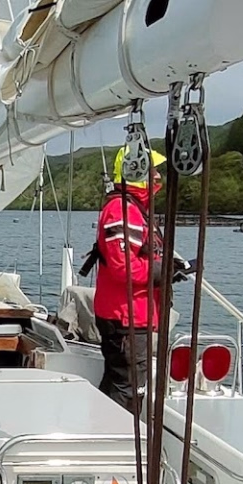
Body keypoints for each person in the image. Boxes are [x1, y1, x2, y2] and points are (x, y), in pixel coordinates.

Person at [90, 146, 164, 413]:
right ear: (136, 171)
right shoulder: (123, 211)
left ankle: (101, 437)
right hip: (125, 317)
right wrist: (162, 271)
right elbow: (124, 269)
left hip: (131, 314)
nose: (158, 176)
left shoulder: (133, 209)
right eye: (153, 170)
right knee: (129, 388)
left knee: (122, 383)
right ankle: (112, 443)